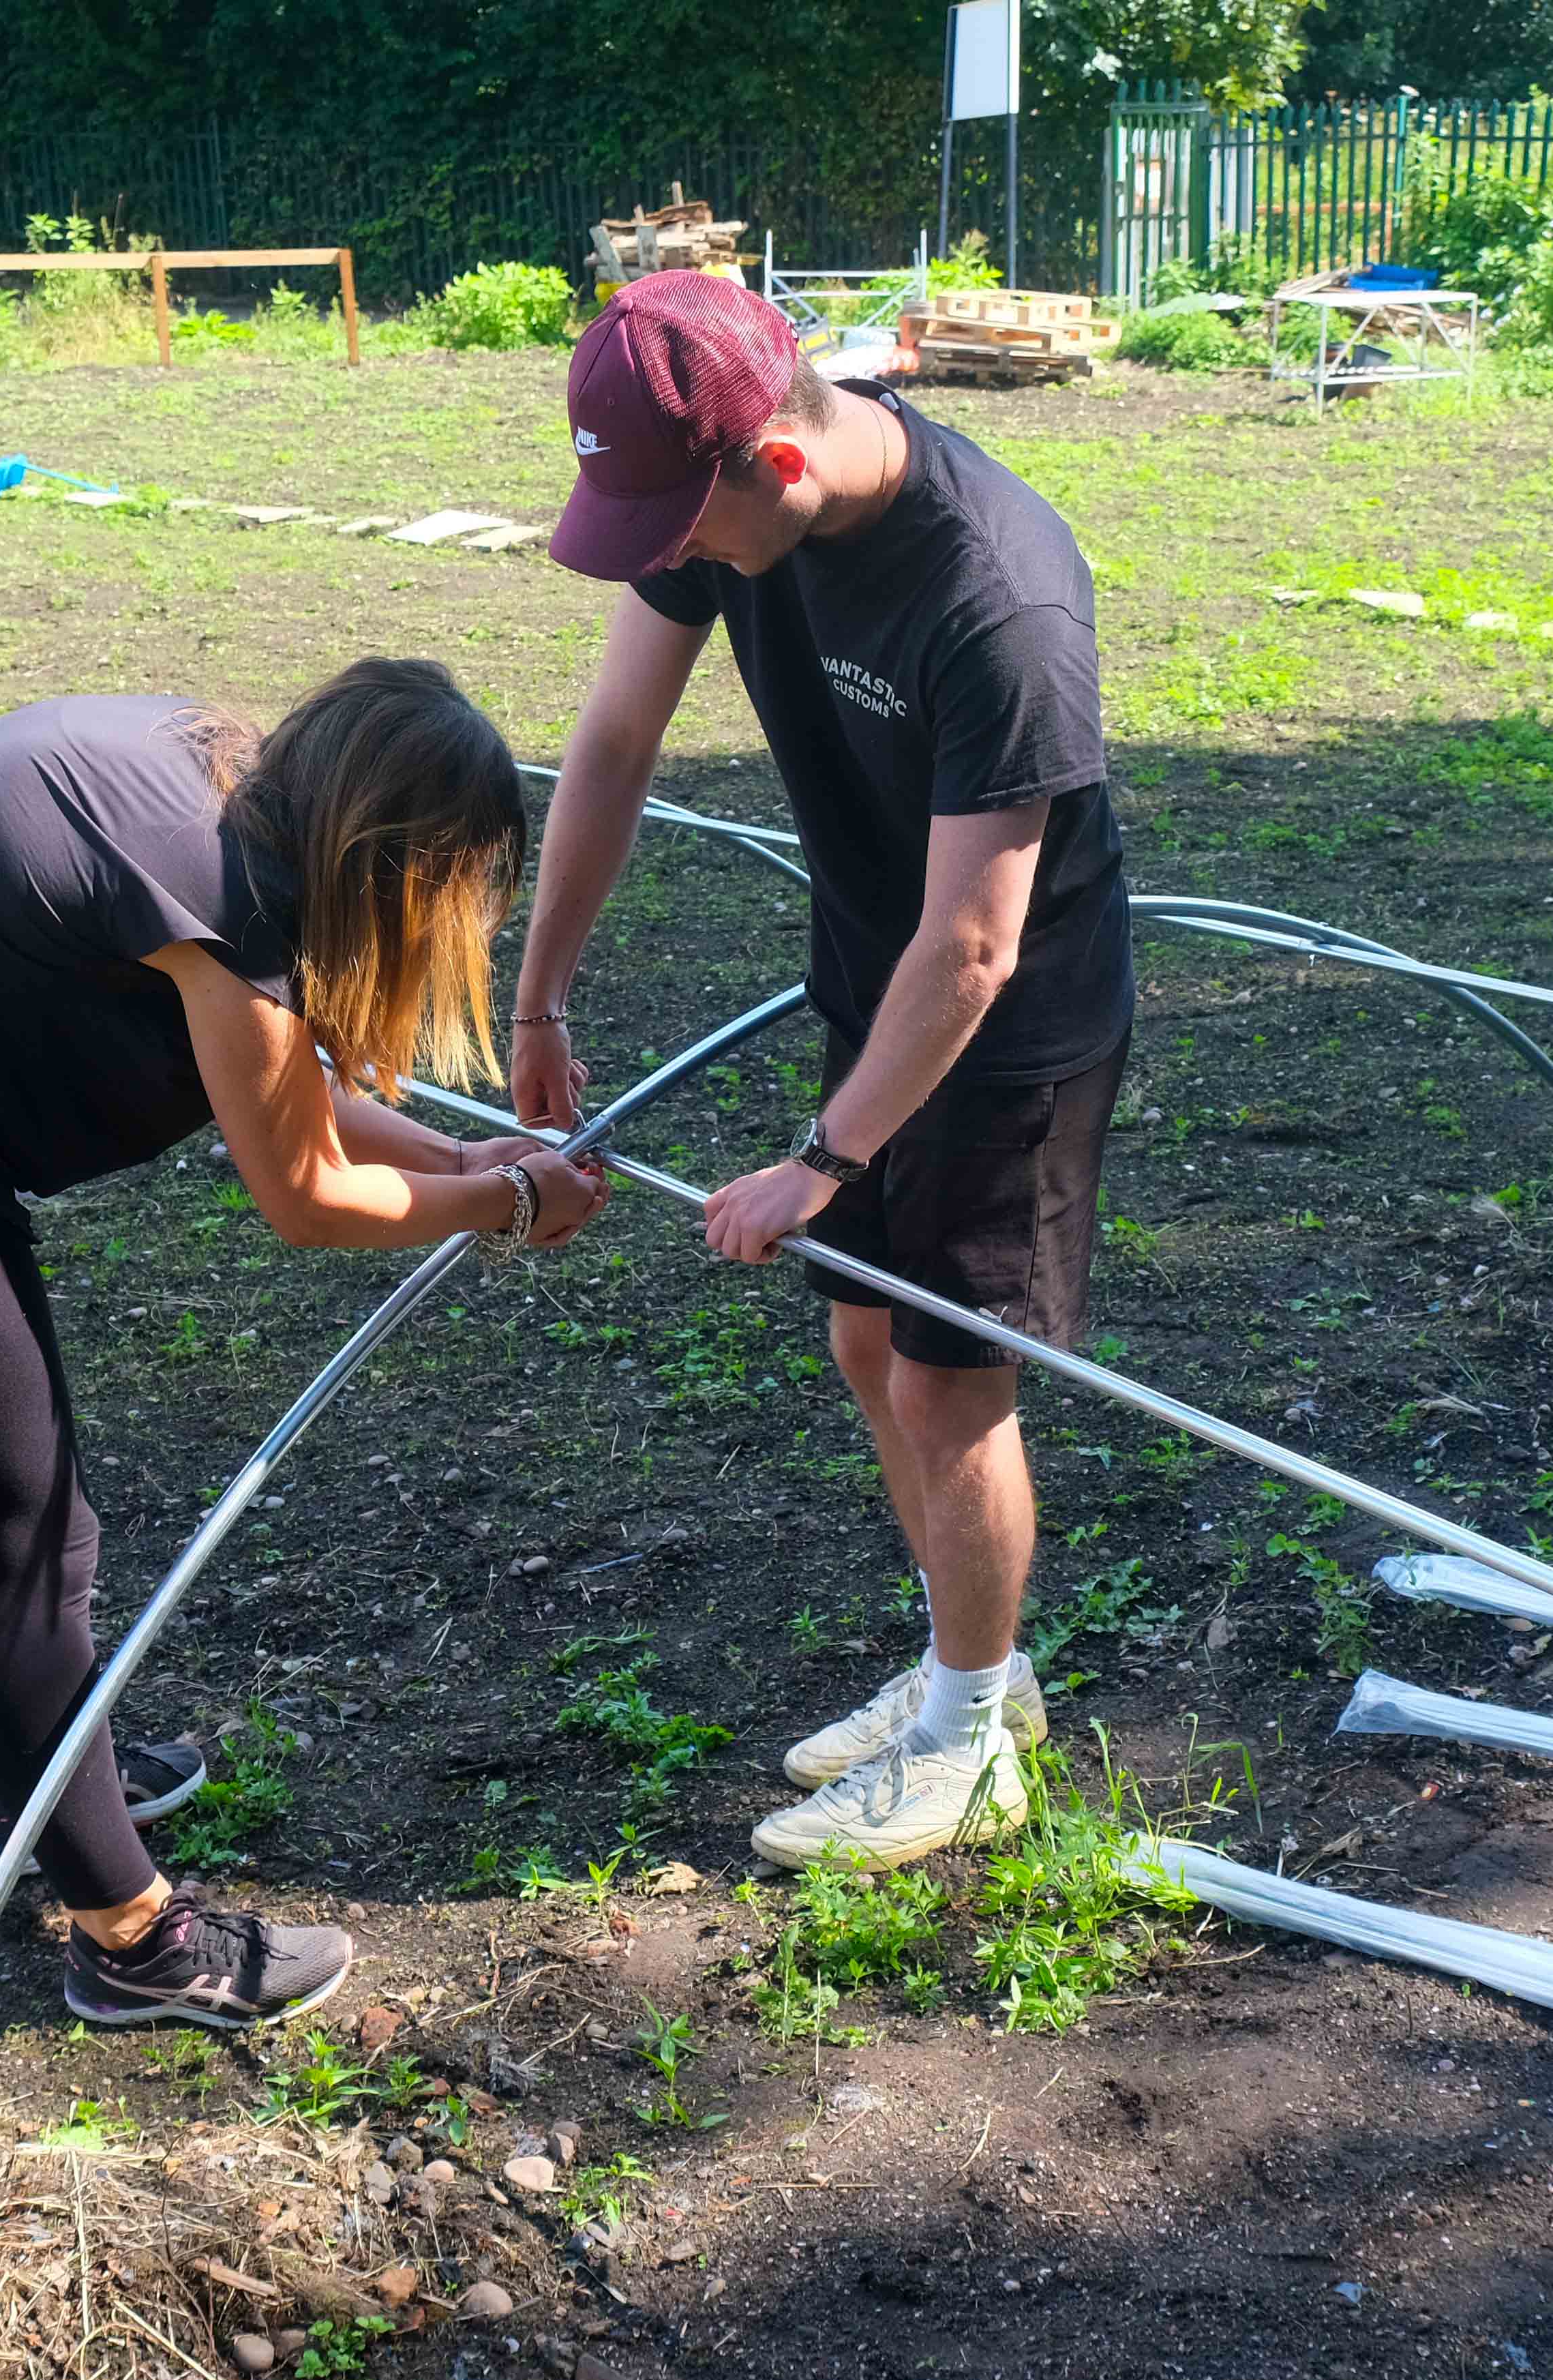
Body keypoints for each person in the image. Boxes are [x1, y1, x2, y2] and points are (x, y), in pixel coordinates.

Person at [0, 664, 607, 2031]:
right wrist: (509, 1201)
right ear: (398, 858)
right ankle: (132, 1941)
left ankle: (47, 1788)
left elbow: (281, 1087)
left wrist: (466, 1158)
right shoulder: (225, 894)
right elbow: (302, 1193)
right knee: (27, 1545)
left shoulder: (219, 786)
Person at [515, 273, 1130, 1874]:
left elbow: (976, 952)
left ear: (779, 469)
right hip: (876, 978)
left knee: (945, 1376)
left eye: (680, 528)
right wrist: (538, 997)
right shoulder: (717, 513)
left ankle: (968, 1741)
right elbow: (610, 743)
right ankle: (969, 1671)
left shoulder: (995, 596)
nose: (666, 560)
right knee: (868, 1343)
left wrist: (823, 1159)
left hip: (1010, 1028)